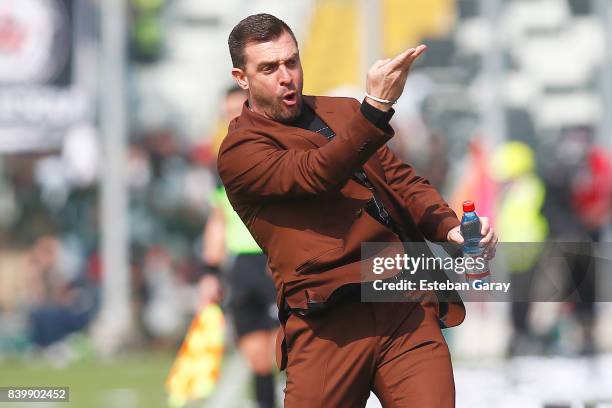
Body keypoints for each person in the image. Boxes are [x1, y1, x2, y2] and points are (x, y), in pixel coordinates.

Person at [217, 13, 497, 407]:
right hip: (328, 322)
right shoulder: (240, 150)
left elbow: (402, 182)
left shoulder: (346, 112)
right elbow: (316, 173)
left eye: (291, 61)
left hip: (404, 302)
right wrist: (376, 107)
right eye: (268, 67)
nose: (286, 76)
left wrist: (450, 228)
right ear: (241, 78)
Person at [200, 85, 279, 408]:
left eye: (239, 110)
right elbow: (219, 219)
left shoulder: (274, 153)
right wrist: (210, 271)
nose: (233, 118)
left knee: (289, 351)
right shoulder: (222, 164)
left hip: (274, 261)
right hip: (242, 268)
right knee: (256, 357)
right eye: (227, 113)